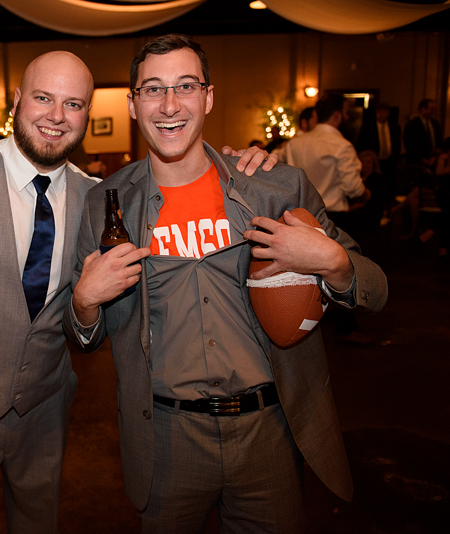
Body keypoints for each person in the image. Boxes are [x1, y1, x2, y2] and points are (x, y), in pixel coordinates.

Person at [0, 50, 276, 534]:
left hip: (46, 401)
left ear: (87, 115)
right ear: (17, 101)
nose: (57, 117)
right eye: (43, 98)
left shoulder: (98, 197)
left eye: (74, 104)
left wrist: (243, 162)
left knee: (40, 519)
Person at [64, 34, 387, 533]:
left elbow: (376, 290)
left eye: (185, 86)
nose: (170, 105)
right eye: (152, 89)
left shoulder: (273, 187)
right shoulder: (105, 205)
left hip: (269, 434)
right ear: (132, 105)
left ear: (208, 97)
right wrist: (84, 302)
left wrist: (334, 260)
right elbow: (84, 334)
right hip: (167, 440)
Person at [283, 94, 370, 232]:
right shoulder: (341, 145)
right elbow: (352, 186)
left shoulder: (294, 143)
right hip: (332, 217)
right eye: (346, 113)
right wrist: (365, 193)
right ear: (337, 115)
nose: (347, 117)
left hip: (299, 216)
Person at [357, 103, 401, 194]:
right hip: (373, 161)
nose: (381, 114)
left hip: (389, 162)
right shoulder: (368, 127)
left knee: (389, 184)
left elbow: (397, 145)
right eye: (379, 112)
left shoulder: (394, 128)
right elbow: (360, 144)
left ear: (388, 113)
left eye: (384, 112)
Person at [403, 98, 442, 167]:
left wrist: (435, 157)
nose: (433, 111)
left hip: (433, 162)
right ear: (423, 109)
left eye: (434, 109)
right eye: (431, 109)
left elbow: (438, 142)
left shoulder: (435, 124)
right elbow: (409, 144)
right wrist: (421, 159)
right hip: (416, 163)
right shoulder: (412, 124)